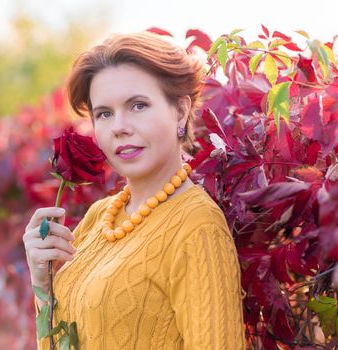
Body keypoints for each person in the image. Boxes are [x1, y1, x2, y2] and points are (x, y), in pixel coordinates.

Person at [23, 31, 246, 349]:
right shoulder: (101, 216)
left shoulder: (197, 226)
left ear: (180, 111)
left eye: (138, 106)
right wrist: (42, 282)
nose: (119, 127)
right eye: (104, 113)